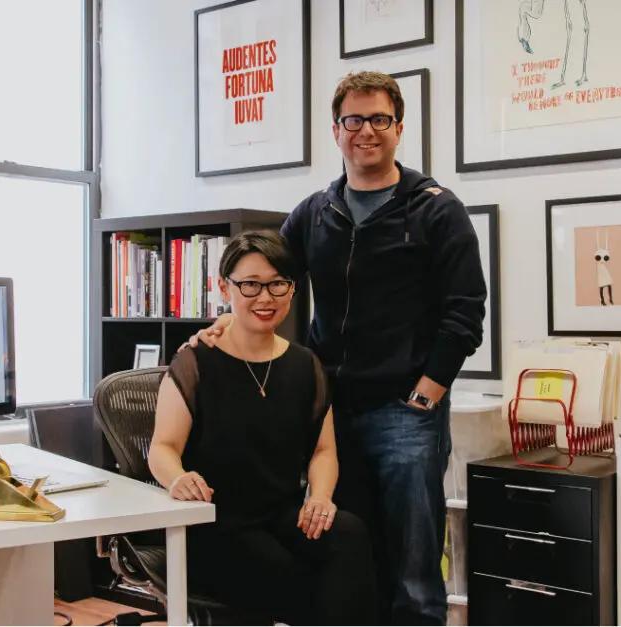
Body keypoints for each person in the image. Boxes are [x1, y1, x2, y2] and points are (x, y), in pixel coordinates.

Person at [191, 71, 486, 624]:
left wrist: (429, 389)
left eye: (379, 119)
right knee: (351, 550)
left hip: (406, 412)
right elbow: (266, 276)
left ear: (399, 128)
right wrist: (223, 322)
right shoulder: (315, 212)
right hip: (330, 412)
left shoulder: (435, 209)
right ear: (336, 130)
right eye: (354, 120)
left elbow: (466, 309)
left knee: (414, 561)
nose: (366, 131)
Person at [151, 231, 377, 625]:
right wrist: (178, 478)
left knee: (348, 534)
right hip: (215, 520)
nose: (265, 297)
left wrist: (320, 498)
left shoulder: (305, 366)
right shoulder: (195, 361)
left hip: (281, 513)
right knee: (298, 577)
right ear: (225, 288)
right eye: (251, 285)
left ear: (292, 289)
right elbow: (162, 447)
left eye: (277, 284)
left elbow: (324, 451)